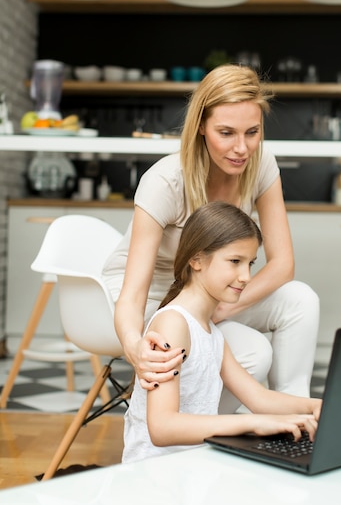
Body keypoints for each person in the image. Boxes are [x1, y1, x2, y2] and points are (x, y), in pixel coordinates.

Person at [102, 63, 319, 412]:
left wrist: (225, 305)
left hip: (215, 292)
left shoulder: (261, 164)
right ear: (201, 126)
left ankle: (294, 415)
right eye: (226, 133)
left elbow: (283, 264)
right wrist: (133, 344)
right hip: (159, 298)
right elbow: (132, 294)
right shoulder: (166, 182)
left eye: (252, 132)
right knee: (254, 353)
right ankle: (203, 442)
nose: (241, 148)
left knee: (301, 300)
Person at [122, 201, 322, 463]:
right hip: (156, 477)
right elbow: (162, 428)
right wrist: (252, 424)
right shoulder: (173, 324)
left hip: (192, 469)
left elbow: (259, 399)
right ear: (196, 259)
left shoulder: (210, 332)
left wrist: (317, 407)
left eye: (250, 263)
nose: (246, 276)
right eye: (235, 261)